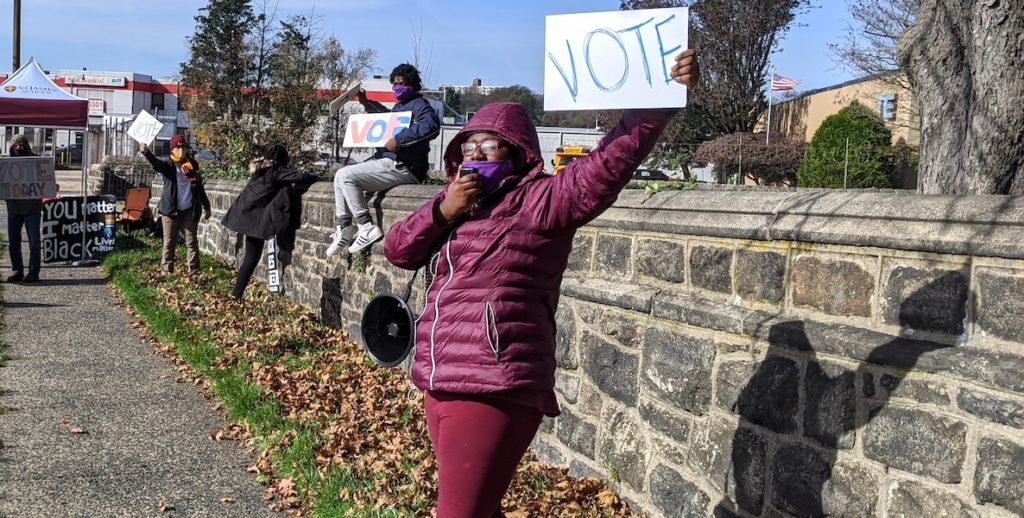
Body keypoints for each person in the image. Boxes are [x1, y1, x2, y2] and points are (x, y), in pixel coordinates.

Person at [383, 50, 699, 517]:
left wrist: (659, 104)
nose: (475, 155)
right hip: (442, 375)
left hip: (494, 382)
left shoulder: (543, 201)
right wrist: (442, 211)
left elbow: (608, 163)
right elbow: (398, 250)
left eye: (488, 146)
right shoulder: (456, 205)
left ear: (515, 151)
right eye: (467, 147)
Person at [326, 63, 441, 256]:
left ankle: (366, 226)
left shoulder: (420, 105)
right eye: (394, 84)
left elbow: (432, 126)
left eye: (401, 83)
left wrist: (399, 140)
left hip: (404, 167)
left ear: (412, 84)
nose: (397, 87)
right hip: (390, 163)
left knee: (346, 176)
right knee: (340, 176)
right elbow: (386, 118)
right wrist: (365, 102)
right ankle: (344, 227)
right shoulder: (400, 106)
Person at [221, 144, 318, 300]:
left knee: (250, 257)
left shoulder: (260, 169)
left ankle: (236, 295)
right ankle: (235, 295)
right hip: (255, 220)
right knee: (252, 257)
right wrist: (316, 177)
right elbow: (300, 177)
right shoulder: (276, 171)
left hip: (247, 216)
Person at [139, 135, 211, 274]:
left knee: (191, 242)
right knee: (169, 242)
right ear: (172, 149)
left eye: (183, 147)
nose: (181, 150)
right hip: (171, 211)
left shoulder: (192, 165)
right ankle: (166, 271)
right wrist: (146, 152)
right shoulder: (169, 165)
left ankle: (194, 271)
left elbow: (199, 188)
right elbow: (156, 164)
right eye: (178, 147)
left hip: (189, 209)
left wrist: (206, 206)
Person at [5, 134, 43, 283]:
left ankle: (33, 272)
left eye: (21, 145)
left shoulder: (37, 161)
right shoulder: (6, 163)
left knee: (34, 241)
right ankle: (17, 271)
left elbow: (45, 180)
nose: (18, 148)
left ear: (27, 146)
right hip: (13, 208)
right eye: (15, 145)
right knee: (13, 241)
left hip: (32, 208)